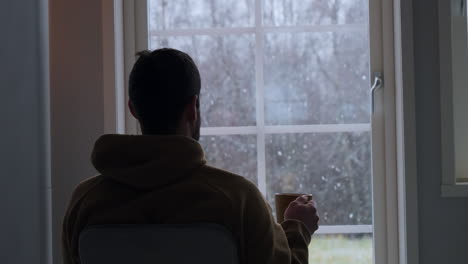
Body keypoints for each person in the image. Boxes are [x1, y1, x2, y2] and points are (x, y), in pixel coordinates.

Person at [62, 48, 319, 264]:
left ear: (133, 109)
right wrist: (298, 228)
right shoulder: (239, 200)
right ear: (192, 108)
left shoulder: (85, 203)